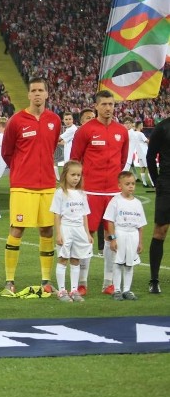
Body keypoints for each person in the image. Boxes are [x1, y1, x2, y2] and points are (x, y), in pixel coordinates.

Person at [1, 78, 61, 294]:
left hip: (47, 184)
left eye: (41, 90)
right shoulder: (16, 121)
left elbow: (51, 147)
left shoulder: (54, 120)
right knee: (17, 229)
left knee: (47, 230)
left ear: (46, 94)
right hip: (22, 185)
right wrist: (21, 169)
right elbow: (7, 152)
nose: (37, 94)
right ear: (28, 95)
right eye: (33, 90)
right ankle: (9, 280)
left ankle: (46, 280)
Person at [70, 90, 128, 295]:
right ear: (96, 106)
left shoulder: (122, 131)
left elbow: (122, 160)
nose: (108, 108)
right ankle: (82, 282)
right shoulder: (85, 130)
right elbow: (75, 159)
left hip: (113, 193)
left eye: (111, 104)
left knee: (111, 235)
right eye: (103, 104)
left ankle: (108, 283)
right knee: (87, 234)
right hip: (90, 192)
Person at [51, 160, 92, 303]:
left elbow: (85, 215)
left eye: (78, 175)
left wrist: (87, 233)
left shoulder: (82, 194)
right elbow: (57, 214)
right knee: (63, 259)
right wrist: (58, 233)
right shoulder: (60, 193)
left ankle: (74, 290)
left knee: (76, 259)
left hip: (79, 229)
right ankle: (62, 291)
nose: (76, 178)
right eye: (73, 175)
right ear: (65, 175)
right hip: (66, 228)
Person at [103, 171, 147, 300]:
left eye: (133, 183)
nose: (131, 186)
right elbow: (110, 221)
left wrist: (140, 242)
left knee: (129, 264)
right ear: (119, 186)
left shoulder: (138, 203)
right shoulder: (115, 201)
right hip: (120, 233)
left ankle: (127, 290)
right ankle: (116, 290)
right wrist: (113, 239)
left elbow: (140, 225)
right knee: (118, 262)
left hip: (133, 234)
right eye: (127, 184)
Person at [146, 116, 170, 293]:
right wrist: (157, 182)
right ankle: (154, 280)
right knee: (160, 230)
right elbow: (150, 156)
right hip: (167, 183)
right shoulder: (162, 127)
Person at [133, 121, 153, 188]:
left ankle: (144, 183)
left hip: (139, 153)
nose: (142, 126)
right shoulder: (140, 134)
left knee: (143, 168)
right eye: (142, 125)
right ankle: (154, 184)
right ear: (139, 125)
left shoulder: (134, 133)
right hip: (144, 152)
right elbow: (147, 141)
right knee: (149, 168)